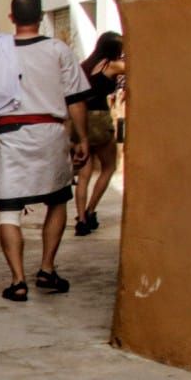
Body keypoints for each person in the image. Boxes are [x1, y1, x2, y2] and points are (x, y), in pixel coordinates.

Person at [0, 0, 92, 301]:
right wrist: (81, 138)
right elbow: (74, 101)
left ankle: (18, 281)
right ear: (42, 17)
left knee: (9, 210)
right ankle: (46, 268)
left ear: (11, 18)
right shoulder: (58, 50)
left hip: (10, 137)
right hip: (51, 135)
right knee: (57, 201)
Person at [74, 31, 125, 236]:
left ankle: (81, 219)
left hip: (80, 120)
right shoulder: (112, 65)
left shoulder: (84, 66)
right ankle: (91, 209)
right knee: (109, 166)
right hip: (99, 119)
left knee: (84, 173)